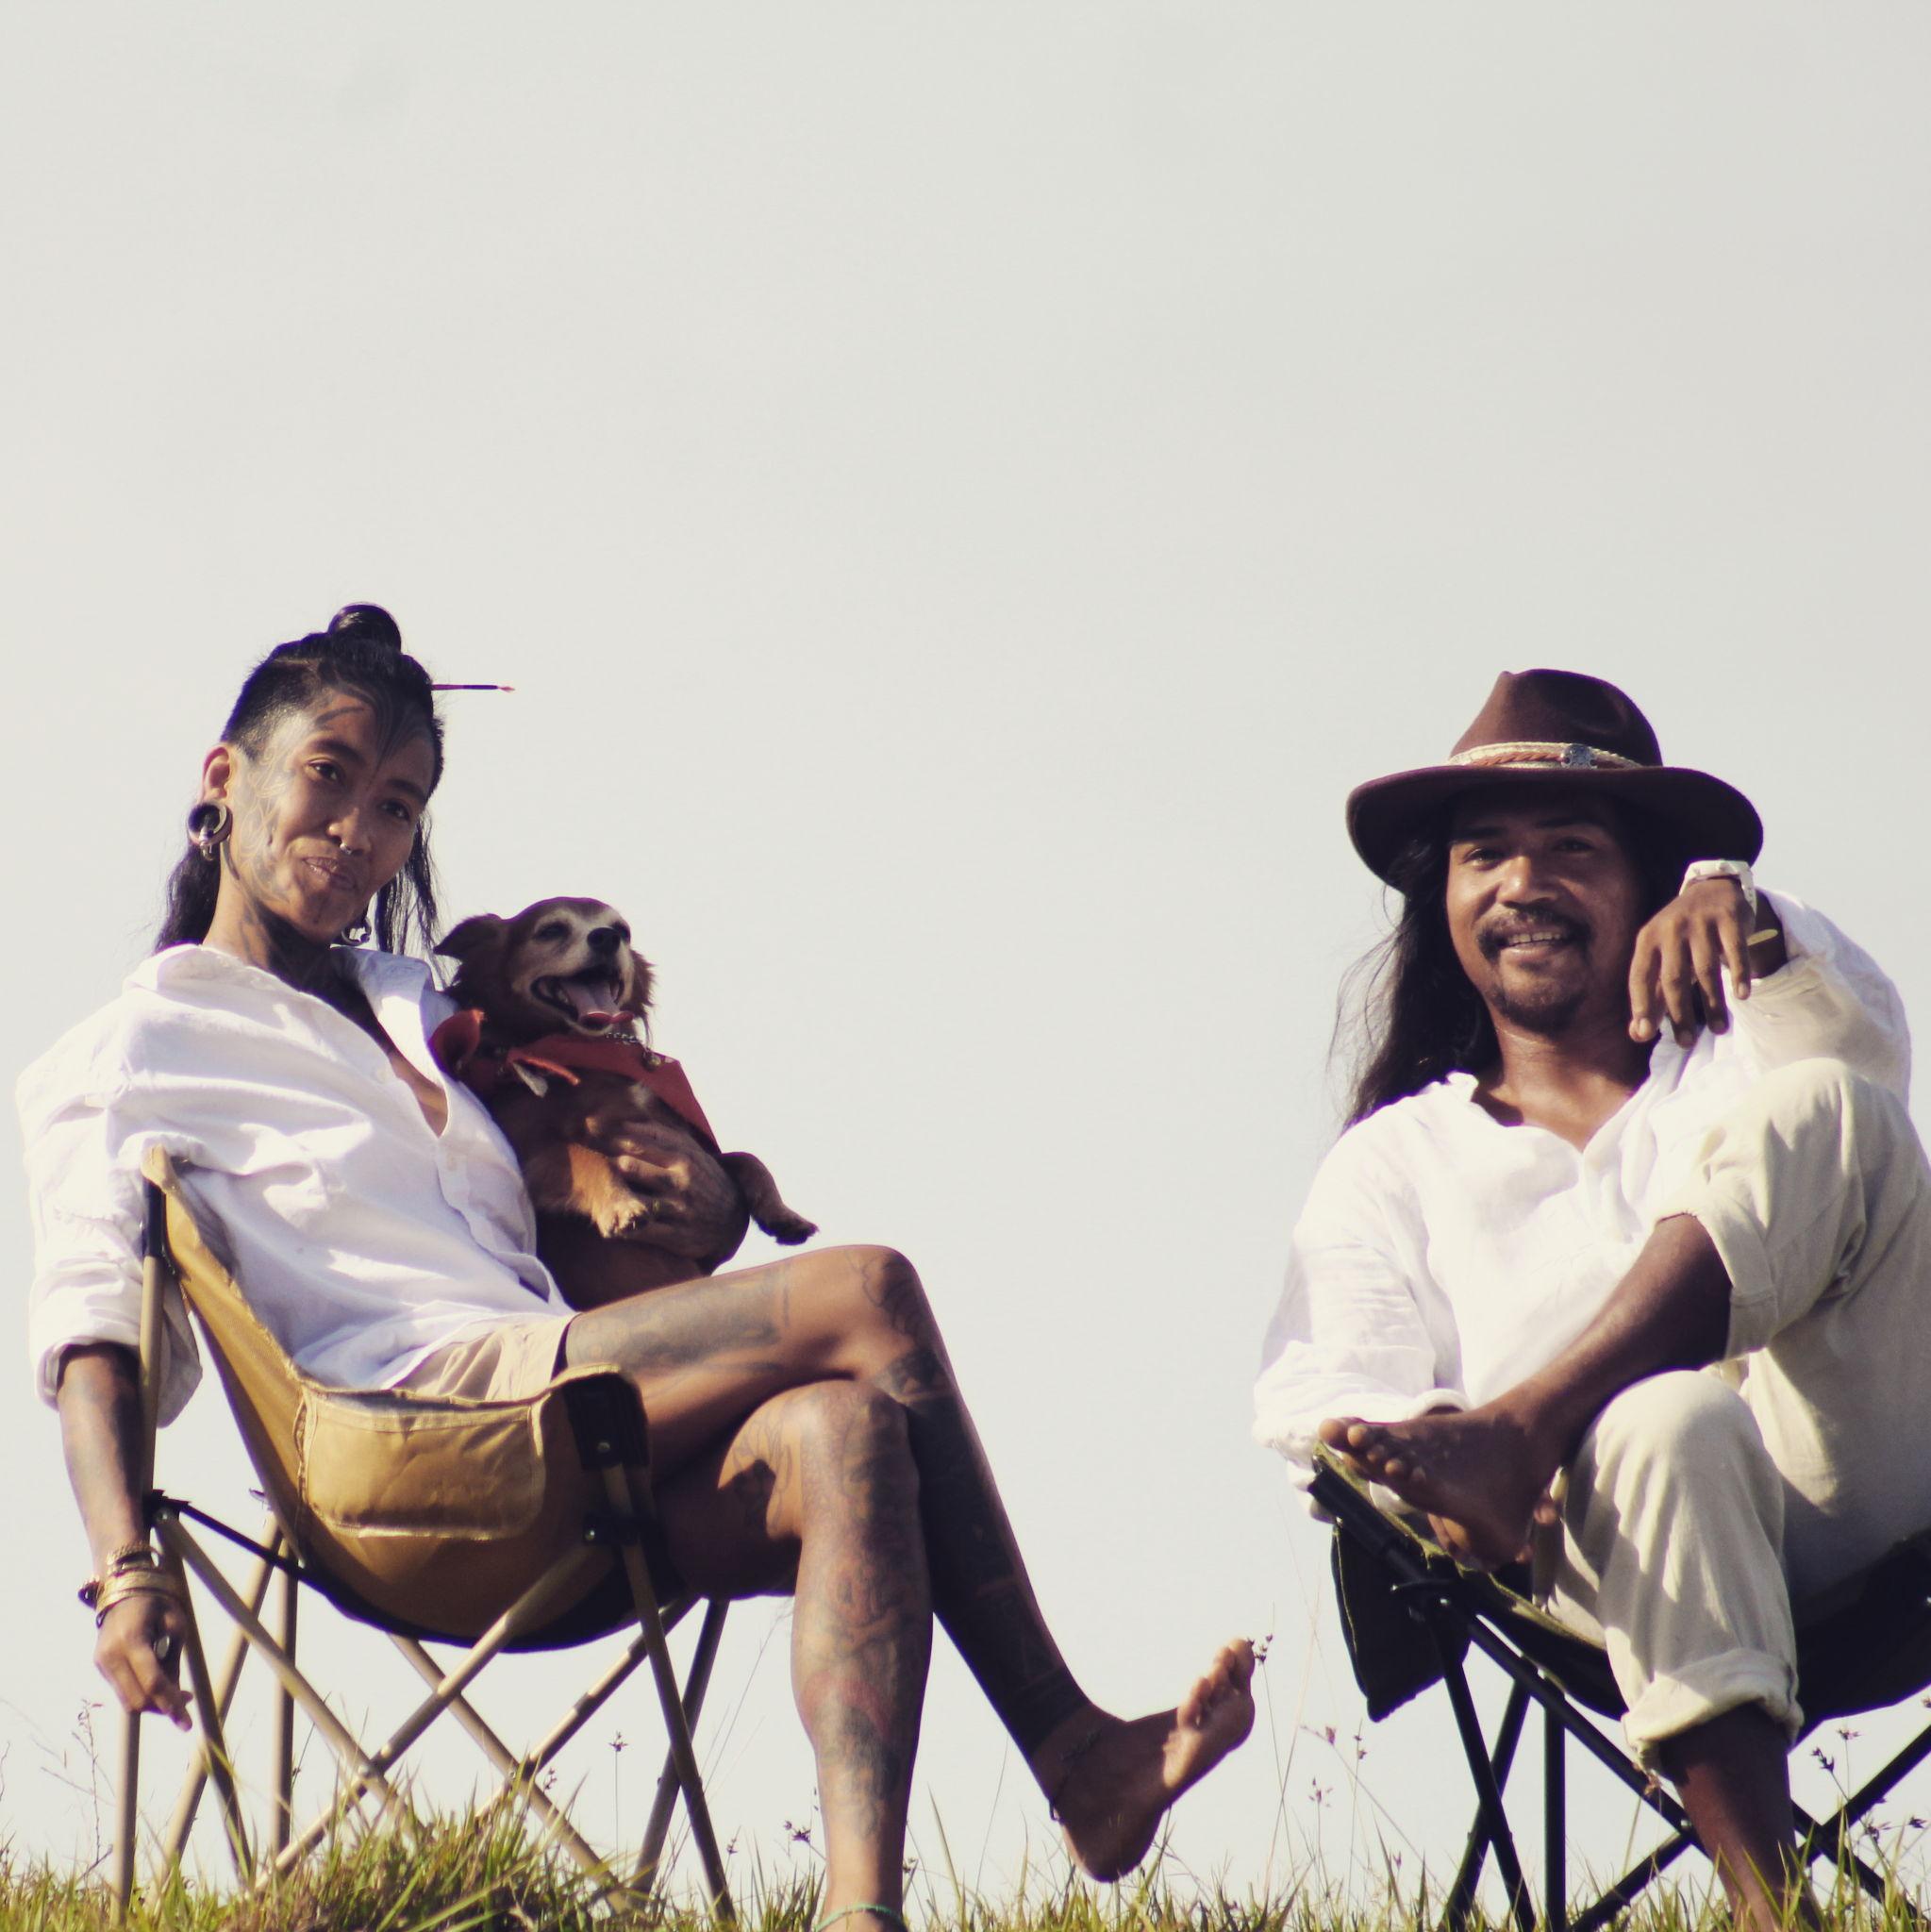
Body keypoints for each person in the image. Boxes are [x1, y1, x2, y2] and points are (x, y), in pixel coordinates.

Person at [25, 605, 1255, 1930]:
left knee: (845, 1431)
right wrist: (123, 1569)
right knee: (869, 1292)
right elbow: (94, 1335)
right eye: (329, 776)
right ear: (225, 777)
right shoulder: (139, 1045)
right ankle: (1076, 1755)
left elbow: (607, 1147)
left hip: (569, 1425)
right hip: (407, 1443)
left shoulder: (424, 1010)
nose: (359, 831)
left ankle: (861, 1914)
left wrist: (702, 1192)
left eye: (397, 806)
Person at [1253, 668, 1931, 1932]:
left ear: (1650, 885)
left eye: (1570, 847)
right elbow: (1321, 1396)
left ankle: (1532, 1422)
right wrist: (1431, 1455)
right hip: (1596, 1555)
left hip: (1856, 1525)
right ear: (1444, 903)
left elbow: (1866, 1062)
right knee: (1669, 1420)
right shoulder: (1395, 1161)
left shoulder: (1746, 1060)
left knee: (1832, 1106)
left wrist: (1749, 910)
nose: (1523, 884)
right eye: (1484, 855)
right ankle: (1773, 1913)